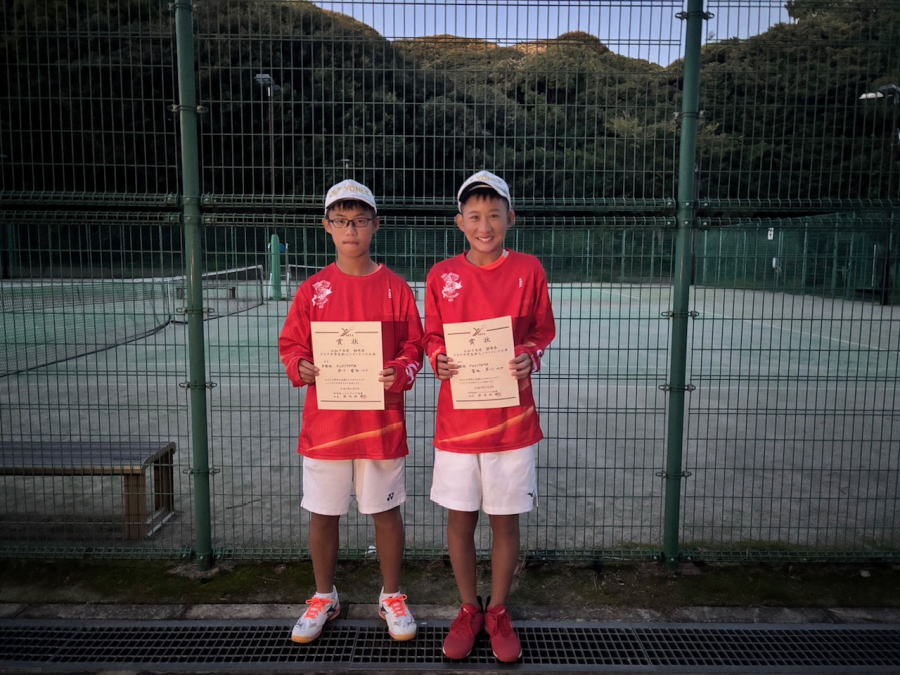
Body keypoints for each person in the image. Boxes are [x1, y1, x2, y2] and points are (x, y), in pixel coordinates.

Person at [279, 179, 423, 644]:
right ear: (326, 226)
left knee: (386, 512)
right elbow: (292, 345)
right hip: (328, 426)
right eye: (341, 221)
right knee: (323, 513)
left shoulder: (396, 288)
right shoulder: (313, 290)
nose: (351, 230)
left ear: (376, 225)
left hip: (381, 423)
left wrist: (400, 369)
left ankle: (392, 594)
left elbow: (415, 346)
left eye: (360, 221)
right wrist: (300, 365)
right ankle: (324, 595)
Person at [424, 170, 556, 662]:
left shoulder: (529, 269)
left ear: (510, 219)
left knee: (504, 521)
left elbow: (542, 330)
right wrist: (437, 357)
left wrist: (529, 356)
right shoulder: (441, 275)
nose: (485, 226)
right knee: (460, 519)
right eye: (475, 217)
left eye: (494, 216)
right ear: (460, 222)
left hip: (511, 423)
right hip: (458, 423)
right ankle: (467, 608)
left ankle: (497, 609)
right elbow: (431, 336)